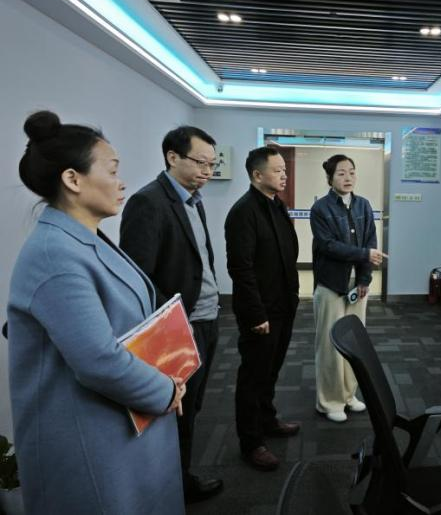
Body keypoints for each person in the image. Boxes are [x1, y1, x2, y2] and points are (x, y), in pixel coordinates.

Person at [7, 110, 186, 514]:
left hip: (122, 420)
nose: (121, 182)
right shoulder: (55, 254)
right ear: (73, 179)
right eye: (112, 170)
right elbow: (98, 360)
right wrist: (165, 390)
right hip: (89, 436)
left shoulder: (85, 238)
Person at [119, 126, 223, 503]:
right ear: (172, 157)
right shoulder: (148, 202)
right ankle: (173, 487)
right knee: (175, 410)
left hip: (206, 318)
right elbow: (138, 278)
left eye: (212, 164)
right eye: (200, 162)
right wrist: (174, 323)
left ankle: (179, 477)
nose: (207, 171)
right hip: (179, 327)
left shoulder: (194, 200)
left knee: (192, 407)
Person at [225, 146, 301, 471]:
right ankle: (251, 442)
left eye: (285, 170)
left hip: (282, 305)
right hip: (260, 312)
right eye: (277, 170)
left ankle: (268, 421)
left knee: (271, 371)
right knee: (253, 377)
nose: (284, 175)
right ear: (257, 175)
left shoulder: (277, 205)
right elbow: (240, 268)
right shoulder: (243, 212)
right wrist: (256, 314)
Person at [310, 155, 385, 422]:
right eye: (341, 173)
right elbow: (328, 245)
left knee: (354, 341)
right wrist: (365, 254)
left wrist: (365, 280)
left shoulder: (363, 204)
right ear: (330, 178)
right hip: (331, 284)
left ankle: (349, 394)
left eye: (352, 172)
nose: (348, 178)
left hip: (357, 286)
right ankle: (329, 401)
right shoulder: (320, 208)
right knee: (330, 344)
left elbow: (371, 241)